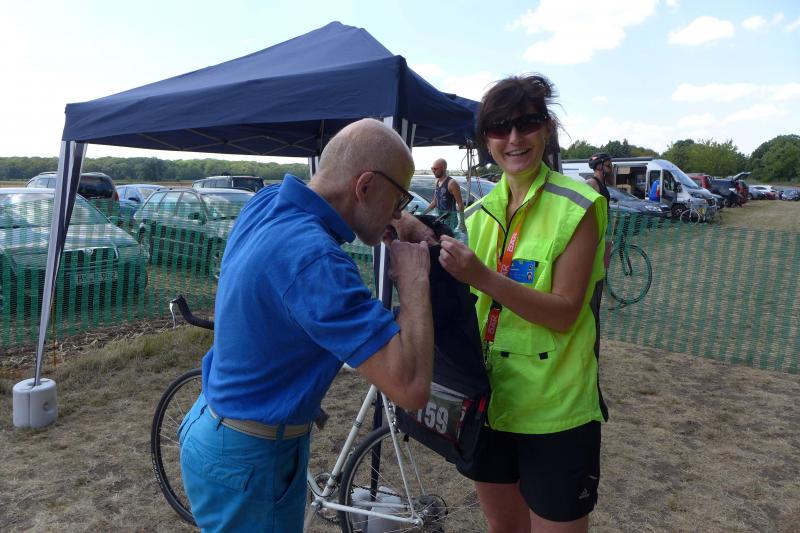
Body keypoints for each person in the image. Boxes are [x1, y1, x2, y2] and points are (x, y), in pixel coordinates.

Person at [178, 118, 435, 532]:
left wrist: (398, 223)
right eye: (399, 198)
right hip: (250, 457)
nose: (399, 211)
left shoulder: (269, 202)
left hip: (213, 423)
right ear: (365, 186)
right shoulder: (315, 261)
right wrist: (415, 282)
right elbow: (412, 388)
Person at [405, 74, 609, 533]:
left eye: (527, 123)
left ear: (547, 128)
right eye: (499, 127)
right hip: (489, 404)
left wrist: (482, 276)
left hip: (555, 411)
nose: (514, 138)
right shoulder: (478, 213)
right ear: (486, 139)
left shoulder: (578, 205)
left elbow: (565, 313)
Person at [422, 158, 467, 233]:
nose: (433, 171)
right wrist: (423, 213)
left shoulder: (452, 183)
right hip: (440, 217)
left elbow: (460, 203)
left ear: (443, 168)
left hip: (450, 219)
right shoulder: (437, 182)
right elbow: (435, 201)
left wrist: (462, 223)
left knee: (448, 237)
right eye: (432, 168)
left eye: (435, 169)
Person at [587, 152, 613, 270]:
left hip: (603, 230)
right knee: (594, 265)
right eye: (608, 165)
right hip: (594, 232)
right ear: (599, 166)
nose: (611, 168)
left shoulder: (603, 183)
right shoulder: (592, 183)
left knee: (603, 265)